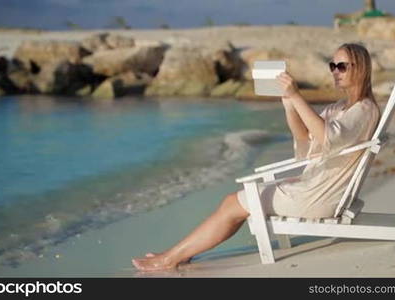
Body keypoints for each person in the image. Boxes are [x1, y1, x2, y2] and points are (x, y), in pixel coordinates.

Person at [131, 43, 381, 271]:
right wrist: (289, 104)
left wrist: (297, 95)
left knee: (234, 203)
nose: (334, 71)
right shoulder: (338, 108)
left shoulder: (364, 109)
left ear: (360, 69)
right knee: (234, 203)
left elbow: (327, 138)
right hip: (314, 186)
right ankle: (178, 254)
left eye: (341, 66)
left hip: (320, 195)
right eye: (332, 65)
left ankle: (171, 258)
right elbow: (305, 143)